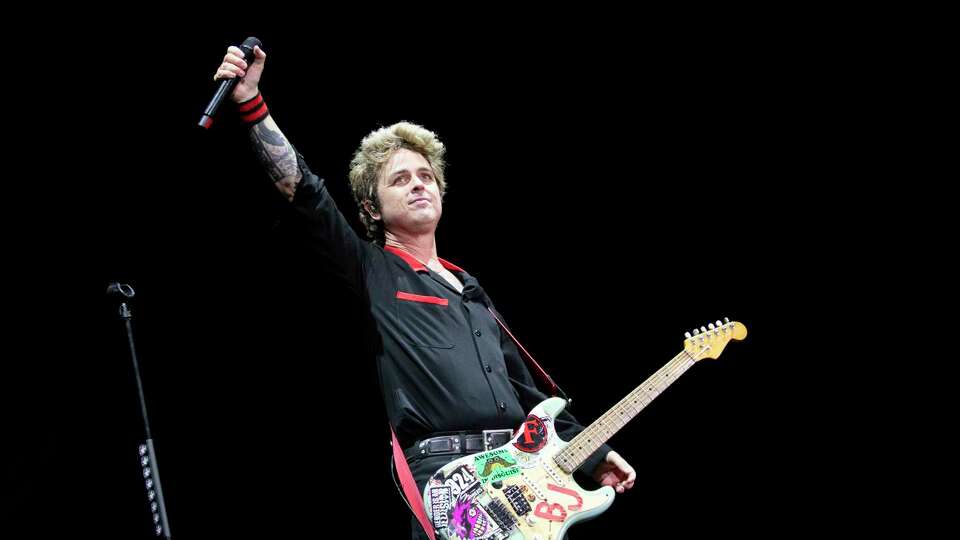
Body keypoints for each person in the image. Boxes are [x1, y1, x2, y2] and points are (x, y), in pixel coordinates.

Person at [213, 43, 636, 538]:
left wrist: (596, 454)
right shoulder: (371, 269)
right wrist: (250, 101)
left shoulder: (473, 292)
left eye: (426, 176)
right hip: (450, 486)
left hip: (521, 487)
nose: (419, 185)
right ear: (372, 209)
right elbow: (303, 190)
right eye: (400, 180)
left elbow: (531, 399)